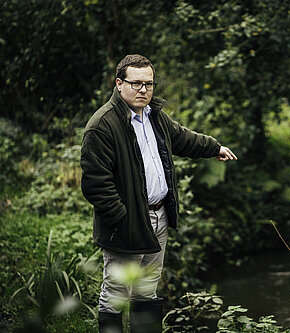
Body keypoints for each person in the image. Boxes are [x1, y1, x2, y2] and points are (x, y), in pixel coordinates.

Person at [80, 54, 237, 333]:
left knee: (147, 290)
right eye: (136, 84)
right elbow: (95, 183)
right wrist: (121, 217)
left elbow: (182, 137)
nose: (144, 90)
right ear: (119, 83)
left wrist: (214, 147)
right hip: (126, 223)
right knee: (116, 292)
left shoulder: (154, 116)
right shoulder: (102, 125)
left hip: (159, 216)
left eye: (149, 84)